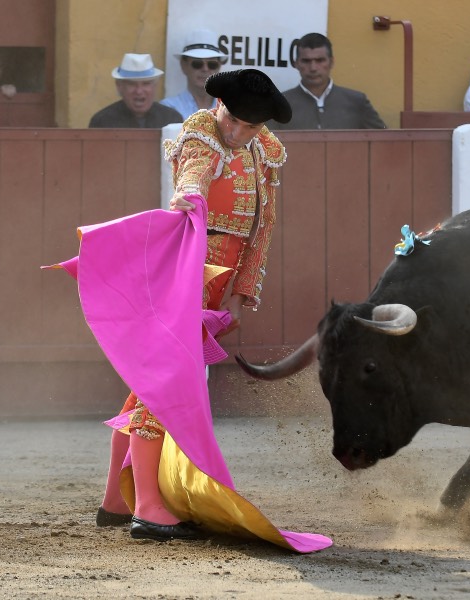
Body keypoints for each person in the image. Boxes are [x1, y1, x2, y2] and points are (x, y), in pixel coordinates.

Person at [87, 69, 329, 549]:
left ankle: (117, 499)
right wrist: (189, 194)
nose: (237, 133)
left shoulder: (264, 153)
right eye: (233, 121)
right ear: (217, 105)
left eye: (250, 127)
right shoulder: (199, 133)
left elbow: (262, 229)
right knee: (164, 385)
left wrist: (241, 293)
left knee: (151, 385)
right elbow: (194, 172)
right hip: (183, 276)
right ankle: (148, 507)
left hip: (216, 288)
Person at [271, 32, 386, 130]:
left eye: (320, 60)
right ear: (296, 64)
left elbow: (384, 143)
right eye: (306, 61)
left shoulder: (357, 102)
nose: (313, 68)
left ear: (331, 62)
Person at [88, 53, 183, 128]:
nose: (139, 91)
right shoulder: (102, 121)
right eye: (132, 84)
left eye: (146, 83)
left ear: (155, 86)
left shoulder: (172, 119)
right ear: (119, 87)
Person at [160, 28, 227, 119]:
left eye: (212, 64)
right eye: (197, 64)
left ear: (218, 67)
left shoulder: (231, 108)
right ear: (184, 66)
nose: (205, 69)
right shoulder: (168, 108)